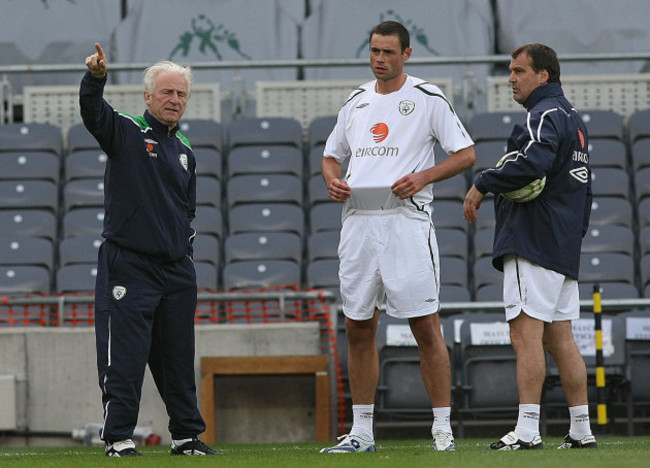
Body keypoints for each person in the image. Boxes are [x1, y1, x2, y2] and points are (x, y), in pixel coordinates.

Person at [319, 21, 475, 453]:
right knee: (358, 326)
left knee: (425, 326)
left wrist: (423, 176)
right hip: (359, 223)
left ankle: (442, 429)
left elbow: (466, 154)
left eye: (388, 52)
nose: (379, 59)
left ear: (406, 54)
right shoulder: (355, 101)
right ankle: (362, 432)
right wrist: (333, 181)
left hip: (406, 221)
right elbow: (331, 157)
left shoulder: (427, 97)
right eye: (374, 51)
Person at [81, 43, 221, 457]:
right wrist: (95, 79)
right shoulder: (124, 131)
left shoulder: (186, 152)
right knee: (124, 359)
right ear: (147, 97)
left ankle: (186, 437)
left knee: (178, 359)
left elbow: (187, 212)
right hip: (130, 266)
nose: (174, 100)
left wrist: (186, 257)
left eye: (181, 94)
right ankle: (119, 438)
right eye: (166, 93)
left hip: (177, 271)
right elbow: (93, 113)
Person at [463, 43, 597, 450]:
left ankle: (526, 430)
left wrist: (483, 181)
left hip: (533, 239)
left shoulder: (544, 114)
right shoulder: (573, 119)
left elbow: (533, 161)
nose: (511, 78)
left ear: (544, 76)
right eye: (510, 70)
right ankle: (581, 430)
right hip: (562, 244)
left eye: (520, 71)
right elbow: (583, 186)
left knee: (525, 336)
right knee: (561, 339)